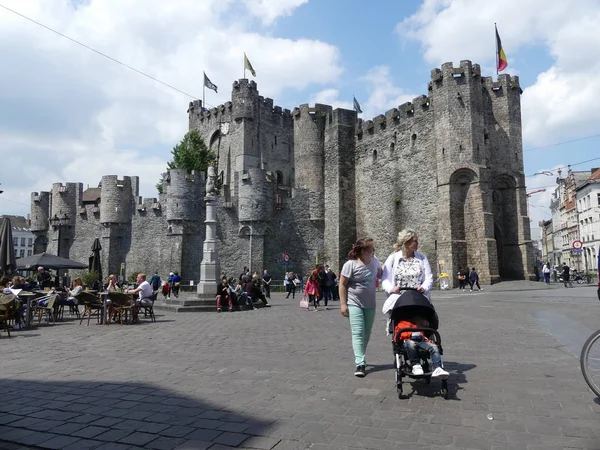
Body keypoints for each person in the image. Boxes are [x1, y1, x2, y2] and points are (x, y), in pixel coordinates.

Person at [339, 238, 382, 378]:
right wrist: (343, 304)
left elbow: (381, 273)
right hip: (354, 302)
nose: (373, 252)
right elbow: (342, 285)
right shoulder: (350, 265)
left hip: (370, 303)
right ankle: (360, 363)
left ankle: (360, 355)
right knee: (357, 332)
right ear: (363, 251)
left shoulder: (374, 261)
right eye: (371, 250)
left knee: (366, 333)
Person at [381, 229, 434, 334]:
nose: (417, 243)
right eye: (415, 241)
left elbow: (429, 277)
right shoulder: (393, 258)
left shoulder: (422, 258)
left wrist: (424, 287)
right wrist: (391, 289)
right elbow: (385, 278)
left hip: (418, 297)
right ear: (407, 242)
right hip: (400, 297)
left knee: (423, 319)